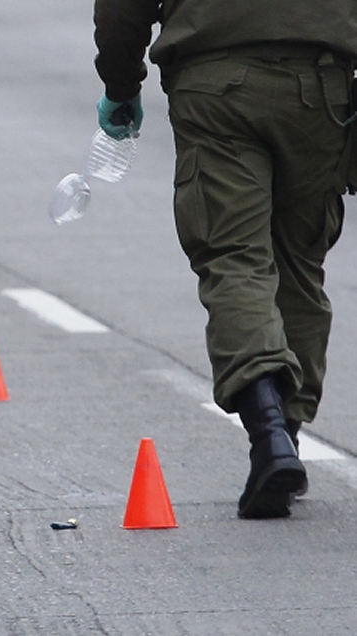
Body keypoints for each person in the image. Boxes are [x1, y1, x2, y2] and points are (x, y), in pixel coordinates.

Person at [93, 1, 357, 518]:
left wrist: (121, 87)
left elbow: (122, 8)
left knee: (235, 257)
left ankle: (269, 437)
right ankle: (287, 435)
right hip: (323, 90)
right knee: (299, 269)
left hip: (216, 85)